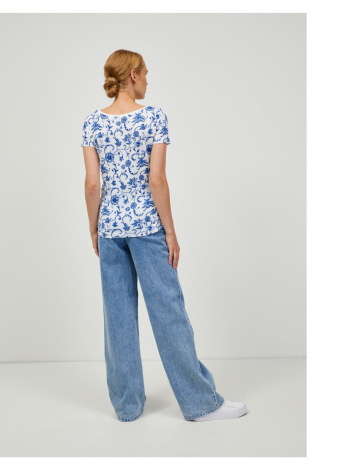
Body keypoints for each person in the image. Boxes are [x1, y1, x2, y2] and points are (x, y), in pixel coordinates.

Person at [81, 49, 247, 422]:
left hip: (110, 229)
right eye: (146, 74)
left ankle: (127, 407)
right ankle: (200, 404)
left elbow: (92, 184)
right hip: (146, 226)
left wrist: (94, 227)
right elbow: (156, 179)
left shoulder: (92, 121)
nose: (148, 80)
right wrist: (170, 231)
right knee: (169, 312)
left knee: (117, 317)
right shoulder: (153, 117)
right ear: (134, 75)